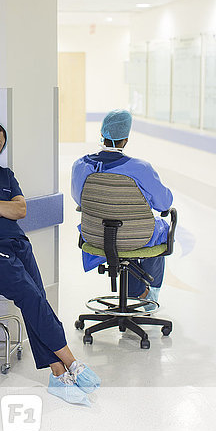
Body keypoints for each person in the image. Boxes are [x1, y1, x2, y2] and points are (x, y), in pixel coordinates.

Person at [0, 122, 100, 406]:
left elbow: (21, 209)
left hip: (16, 242)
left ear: (1, 150)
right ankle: (71, 362)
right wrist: (1, 208)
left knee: (37, 297)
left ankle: (56, 375)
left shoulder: (5, 175)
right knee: (29, 295)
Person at [71, 109, 173, 308]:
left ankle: (136, 290)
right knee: (159, 230)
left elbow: (81, 202)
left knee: (121, 235)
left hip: (96, 234)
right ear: (125, 139)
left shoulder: (80, 165)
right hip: (136, 236)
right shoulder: (140, 168)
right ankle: (148, 293)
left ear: (102, 134)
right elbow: (164, 204)